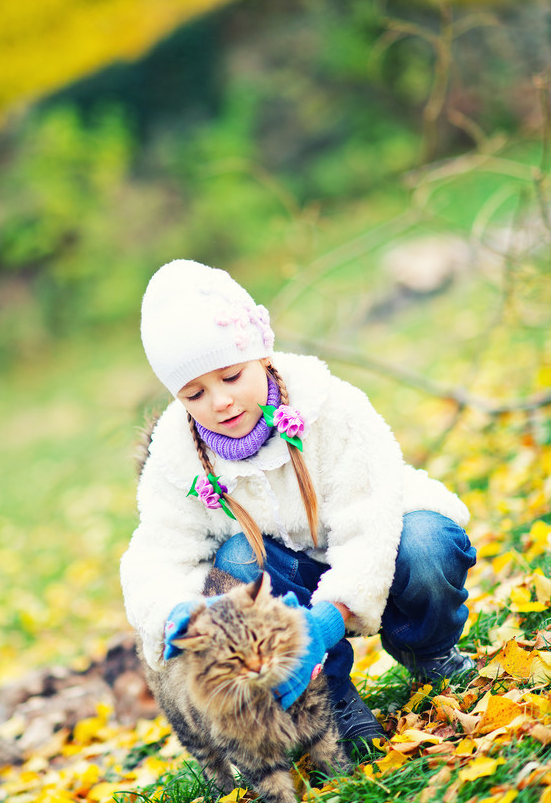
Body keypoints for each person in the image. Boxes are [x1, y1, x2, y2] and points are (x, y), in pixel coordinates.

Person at [120, 259, 476, 754]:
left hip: (381, 540)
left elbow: (370, 522)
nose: (220, 402)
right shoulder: (178, 458)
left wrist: (331, 616)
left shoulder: (330, 406)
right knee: (235, 566)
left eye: (231, 376)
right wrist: (174, 608)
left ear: (262, 356)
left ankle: (429, 648)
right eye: (195, 393)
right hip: (285, 574)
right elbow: (157, 553)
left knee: (425, 543)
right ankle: (329, 695)